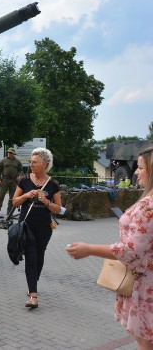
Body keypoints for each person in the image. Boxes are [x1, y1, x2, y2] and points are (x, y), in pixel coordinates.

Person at [67, 146, 153, 349]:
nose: (135, 172)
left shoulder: (148, 205)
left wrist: (89, 249)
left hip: (146, 286)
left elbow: (130, 251)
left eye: (140, 167)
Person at [11, 147, 62, 309]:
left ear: (45, 164)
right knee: (31, 258)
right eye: (30, 162)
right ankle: (33, 295)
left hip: (44, 228)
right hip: (26, 226)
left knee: (39, 257)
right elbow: (14, 202)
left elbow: (59, 209)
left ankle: (33, 283)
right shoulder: (24, 180)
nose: (31, 164)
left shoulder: (53, 184)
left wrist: (46, 202)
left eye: (34, 162)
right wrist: (26, 195)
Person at [0, 148, 24, 215]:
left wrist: (19, 175)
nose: (9, 153)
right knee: (1, 196)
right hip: (4, 180)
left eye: (11, 153)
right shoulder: (3, 160)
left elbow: (21, 170)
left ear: (14, 154)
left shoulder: (17, 161)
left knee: (12, 197)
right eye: (8, 152)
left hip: (14, 181)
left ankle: (9, 212)